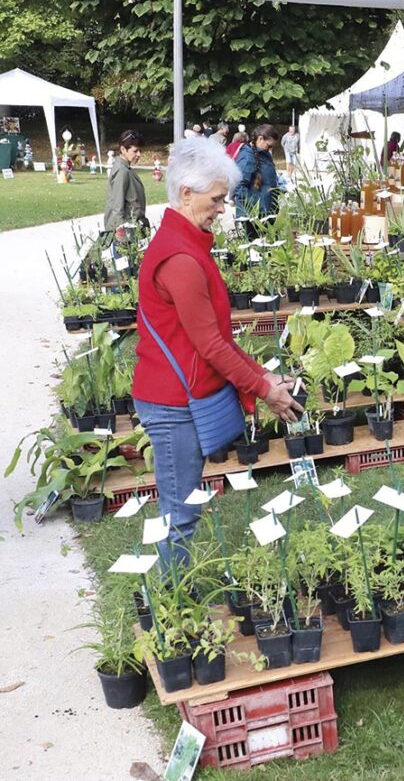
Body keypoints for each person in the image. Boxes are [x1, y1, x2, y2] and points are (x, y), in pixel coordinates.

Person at [132, 137, 303, 566]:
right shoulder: (181, 259)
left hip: (179, 394)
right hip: (172, 403)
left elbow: (215, 340)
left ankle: (174, 608)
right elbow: (210, 346)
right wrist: (265, 390)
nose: (223, 208)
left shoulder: (187, 246)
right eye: (217, 199)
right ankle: (172, 616)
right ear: (186, 194)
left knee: (183, 510)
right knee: (180, 513)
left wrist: (263, 377)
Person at [104, 130, 148, 232]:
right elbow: (117, 207)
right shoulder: (121, 171)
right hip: (125, 232)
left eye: (140, 151)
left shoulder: (126, 169)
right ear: (123, 149)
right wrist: (122, 236)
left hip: (133, 228)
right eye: (135, 151)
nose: (139, 154)